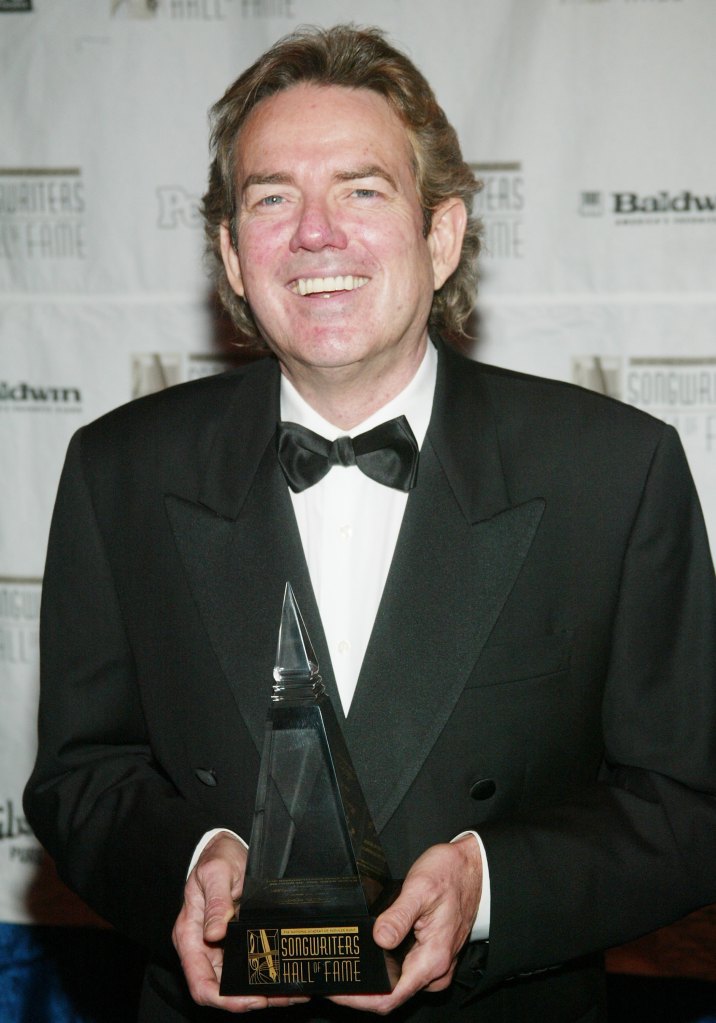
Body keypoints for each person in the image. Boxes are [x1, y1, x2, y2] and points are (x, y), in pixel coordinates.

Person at [24, 24, 716, 1023]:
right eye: (271, 198)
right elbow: (82, 777)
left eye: (360, 189)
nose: (315, 234)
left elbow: (688, 805)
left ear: (439, 235)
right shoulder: (118, 470)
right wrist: (189, 860)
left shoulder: (612, 471)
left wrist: (489, 885)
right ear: (228, 250)